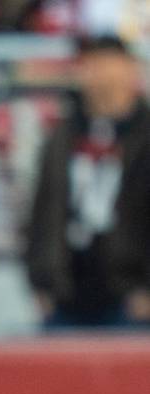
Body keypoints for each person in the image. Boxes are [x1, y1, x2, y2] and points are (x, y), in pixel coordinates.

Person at [26, 35, 150, 328]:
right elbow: (42, 209)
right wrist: (41, 281)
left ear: (131, 71)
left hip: (131, 297)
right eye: (92, 65)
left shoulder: (144, 136)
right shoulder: (62, 135)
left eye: (109, 65)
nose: (102, 76)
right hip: (66, 294)